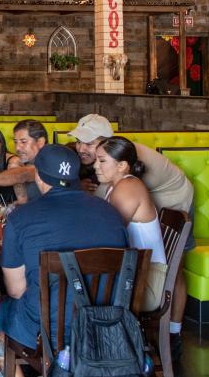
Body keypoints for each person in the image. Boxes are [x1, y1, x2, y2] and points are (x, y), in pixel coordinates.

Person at [67, 113, 194, 356]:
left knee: (175, 268)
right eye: (79, 142)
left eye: (90, 145)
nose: (83, 149)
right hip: (139, 261)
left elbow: (108, 230)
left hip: (175, 197)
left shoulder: (126, 182)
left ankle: (169, 335)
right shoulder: (116, 175)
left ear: (106, 143)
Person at [0, 144, 127, 352]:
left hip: (45, 329)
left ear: (38, 177)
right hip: (105, 324)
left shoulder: (20, 219)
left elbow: (16, 291)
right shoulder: (112, 213)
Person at [94, 137, 168, 312]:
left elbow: (110, 233)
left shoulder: (128, 186)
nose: (96, 166)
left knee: (74, 287)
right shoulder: (115, 186)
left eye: (102, 160)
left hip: (146, 281)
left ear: (122, 165)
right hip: (133, 270)